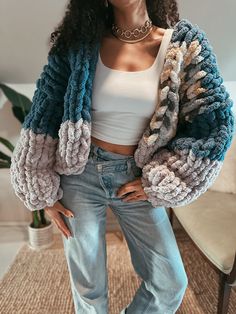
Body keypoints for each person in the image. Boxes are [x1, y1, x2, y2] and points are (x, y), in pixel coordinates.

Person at [9, 0, 235, 313]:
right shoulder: (79, 42)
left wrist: (164, 180)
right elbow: (44, 111)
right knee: (89, 289)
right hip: (79, 174)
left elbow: (214, 123)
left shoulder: (184, 45)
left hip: (137, 178)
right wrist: (41, 191)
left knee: (170, 283)